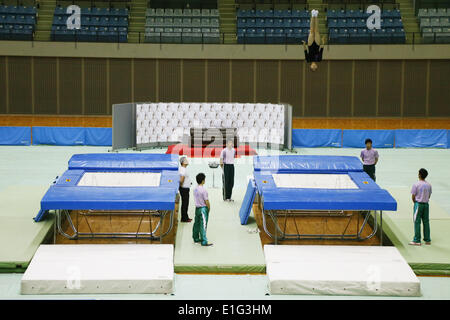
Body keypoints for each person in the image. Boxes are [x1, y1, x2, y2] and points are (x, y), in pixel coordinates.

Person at [409, 168, 432, 246]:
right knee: (426, 222)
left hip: (418, 204)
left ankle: (417, 240)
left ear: (419, 175)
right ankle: (427, 239)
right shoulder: (429, 185)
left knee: (417, 222)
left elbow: (413, 196)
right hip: (426, 205)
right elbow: (429, 195)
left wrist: (415, 203)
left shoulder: (416, 184)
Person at [193, 173, 213, 247]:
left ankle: (196, 238)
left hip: (197, 208)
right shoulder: (204, 190)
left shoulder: (195, 189)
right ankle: (204, 241)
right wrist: (208, 209)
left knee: (196, 224)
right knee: (203, 225)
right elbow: (206, 201)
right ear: (203, 181)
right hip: (203, 209)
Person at [179, 156, 192, 223]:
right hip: (184, 189)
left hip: (184, 188)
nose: (187, 161)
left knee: (185, 203)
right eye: (186, 160)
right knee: (185, 204)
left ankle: (185, 217)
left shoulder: (183, 169)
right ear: (183, 162)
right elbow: (181, 180)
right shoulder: (183, 169)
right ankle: (184, 218)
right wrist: (181, 186)